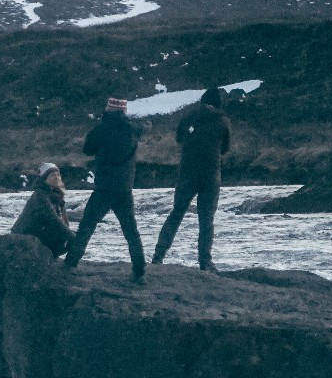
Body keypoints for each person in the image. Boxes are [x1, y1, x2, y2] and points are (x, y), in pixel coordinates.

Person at [64, 99, 146, 279]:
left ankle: (71, 262)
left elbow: (87, 149)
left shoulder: (102, 128)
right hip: (125, 187)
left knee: (87, 224)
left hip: (104, 186)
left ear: (111, 109)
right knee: (130, 229)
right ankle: (139, 269)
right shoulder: (133, 130)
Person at [153, 86, 232, 271]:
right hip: (211, 174)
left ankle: (158, 255)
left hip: (187, 172)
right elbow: (225, 149)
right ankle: (205, 262)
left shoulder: (190, 114)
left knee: (177, 213)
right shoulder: (223, 121)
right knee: (206, 220)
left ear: (203, 100)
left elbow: (179, 137)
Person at [11, 162, 72, 255]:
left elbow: (64, 222)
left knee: (71, 234)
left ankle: (55, 259)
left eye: (58, 175)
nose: (56, 177)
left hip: (39, 232)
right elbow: (53, 219)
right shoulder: (40, 194)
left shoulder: (56, 195)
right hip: (25, 235)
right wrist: (72, 237)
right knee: (62, 232)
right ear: (44, 179)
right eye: (52, 175)